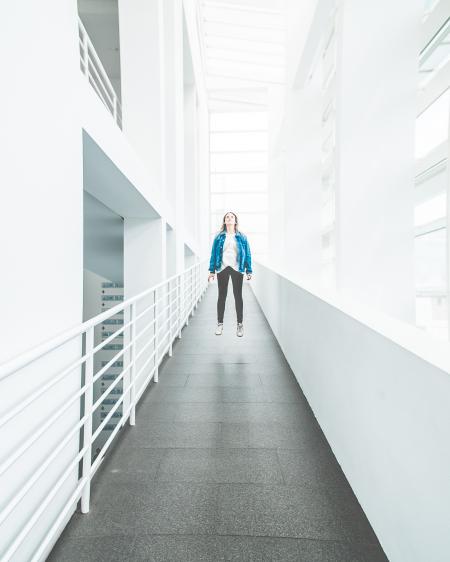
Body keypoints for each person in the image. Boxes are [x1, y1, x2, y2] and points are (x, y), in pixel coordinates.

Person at [208, 211, 252, 337]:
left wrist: (249, 270)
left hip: (237, 268)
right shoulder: (219, 237)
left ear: (235, 221)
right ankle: (220, 324)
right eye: (227, 217)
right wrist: (211, 271)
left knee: (238, 296)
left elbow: (247, 253)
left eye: (231, 217)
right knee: (222, 296)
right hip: (222, 268)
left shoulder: (242, 237)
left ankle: (240, 325)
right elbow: (213, 254)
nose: (229, 218)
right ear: (224, 221)